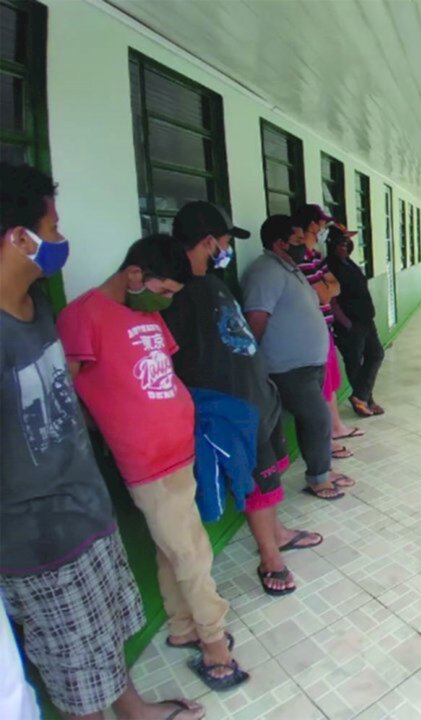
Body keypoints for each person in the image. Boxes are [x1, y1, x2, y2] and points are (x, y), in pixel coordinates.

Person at [0, 164, 205, 719]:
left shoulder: (37, 308)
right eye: (54, 227)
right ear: (20, 237)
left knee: (107, 632)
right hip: (37, 539)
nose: (62, 241)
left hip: (89, 505)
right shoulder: (58, 318)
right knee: (73, 664)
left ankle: (133, 709)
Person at [56, 233, 248, 692]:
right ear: (135, 274)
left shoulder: (145, 312)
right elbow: (67, 391)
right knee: (192, 552)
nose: (165, 301)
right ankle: (215, 642)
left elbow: (161, 372)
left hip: (179, 449)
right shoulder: (82, 316)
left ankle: (183, 627)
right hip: (147, 461)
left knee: (171, 547)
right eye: (163, 291)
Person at [163, 201, 326, 597]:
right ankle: (270, 557)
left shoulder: (212, 283)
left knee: (272, 471)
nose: (225, 248)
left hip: (256, 395)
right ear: (207, 241)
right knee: (258, 480)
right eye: (223, 241)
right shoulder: (176, 293)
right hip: (231, 406)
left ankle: (279, 532)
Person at [242, 215, 355, 500]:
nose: (303, 245)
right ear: (279, 243)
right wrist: (250, 360)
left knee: (312, 421)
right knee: (318, 419)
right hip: (288, 367)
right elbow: (256, 316)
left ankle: (322, 471)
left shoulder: (290, 269)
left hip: (308, 364)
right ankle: (318, 478)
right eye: (296, 240)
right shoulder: (265, 271)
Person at [292, 204, 363, 454]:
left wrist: (328, 286)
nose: (323, 229)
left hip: (325, 327)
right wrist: (328, 286)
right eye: (321, 224)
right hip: (313, 329)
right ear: (312, 225)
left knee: (331, 380)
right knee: (320, 385)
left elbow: (335, 286)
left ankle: (336, 427)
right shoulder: (300, 258)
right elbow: (324, 294)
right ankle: (326, 439)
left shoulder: (315, 257)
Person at [325, 223, 386, 417]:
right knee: (354, 362)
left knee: (376, 354)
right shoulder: (330, 266)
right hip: (349, 323)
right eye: (340, 243)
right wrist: (346, 323)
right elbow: (331, 299)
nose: (344, 247)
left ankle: (361, 396)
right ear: (331, 244)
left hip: (365, 320)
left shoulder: (348, 262)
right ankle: (364, 401)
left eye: (346, 243)